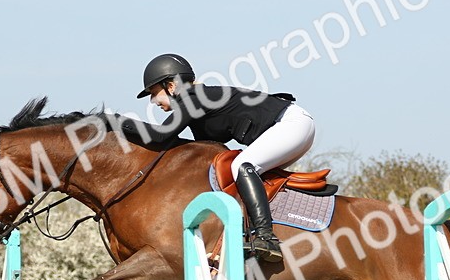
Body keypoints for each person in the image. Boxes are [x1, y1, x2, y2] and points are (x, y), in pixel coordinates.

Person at [118, 53, 316, 263]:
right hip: (291, 128)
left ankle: (266, 238)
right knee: (232, 174)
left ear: (171, 86)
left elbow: (161, 134)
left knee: (242, 165)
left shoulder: (194, 97)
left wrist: (116, 122)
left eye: (153, 92)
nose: (152, 101)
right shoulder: (195, 108)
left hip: (292, 124)